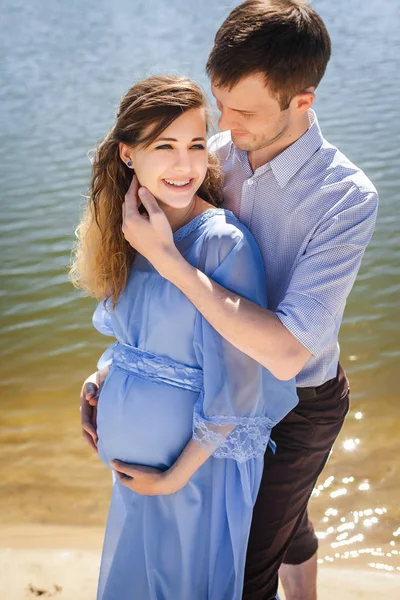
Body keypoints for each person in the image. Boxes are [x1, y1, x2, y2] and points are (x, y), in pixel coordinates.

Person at [83, 3, 377, 600]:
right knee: (279, 520)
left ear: (302, 100)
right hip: (216, 386)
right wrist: (115, 369)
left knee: (244, 568)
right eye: (221, 102)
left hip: (302, 405)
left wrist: (170, 260)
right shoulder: (211, 152)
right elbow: (160, 303)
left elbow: (289, 353)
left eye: (244, 111)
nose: (225, 123)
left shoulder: (345, 198)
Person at [73, 74, 298, 600]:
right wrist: (103, 378)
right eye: (165, 146)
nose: (184, 164)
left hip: (194, 475)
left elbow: (238, 387)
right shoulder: (132, 230)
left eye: (196, 145)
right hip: (138, 478)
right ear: (129, 155)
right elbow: (141, 337)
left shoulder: (222, 243)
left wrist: (173, 477)